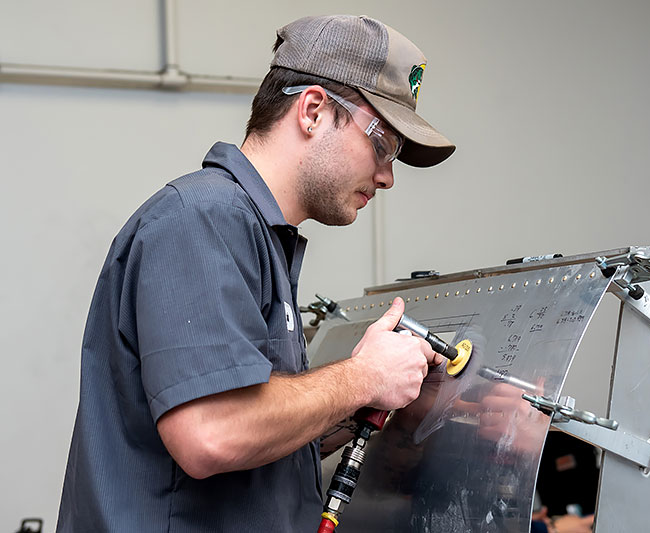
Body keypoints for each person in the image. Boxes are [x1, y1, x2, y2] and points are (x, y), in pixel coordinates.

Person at [56, 14, 455, 532]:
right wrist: (363, 376)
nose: (387, 176)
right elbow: (211, 433)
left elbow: (254, 431)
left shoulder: (254, 234)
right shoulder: (202, 219)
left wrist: (375, 399)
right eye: (382, 145)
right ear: (312, 110)